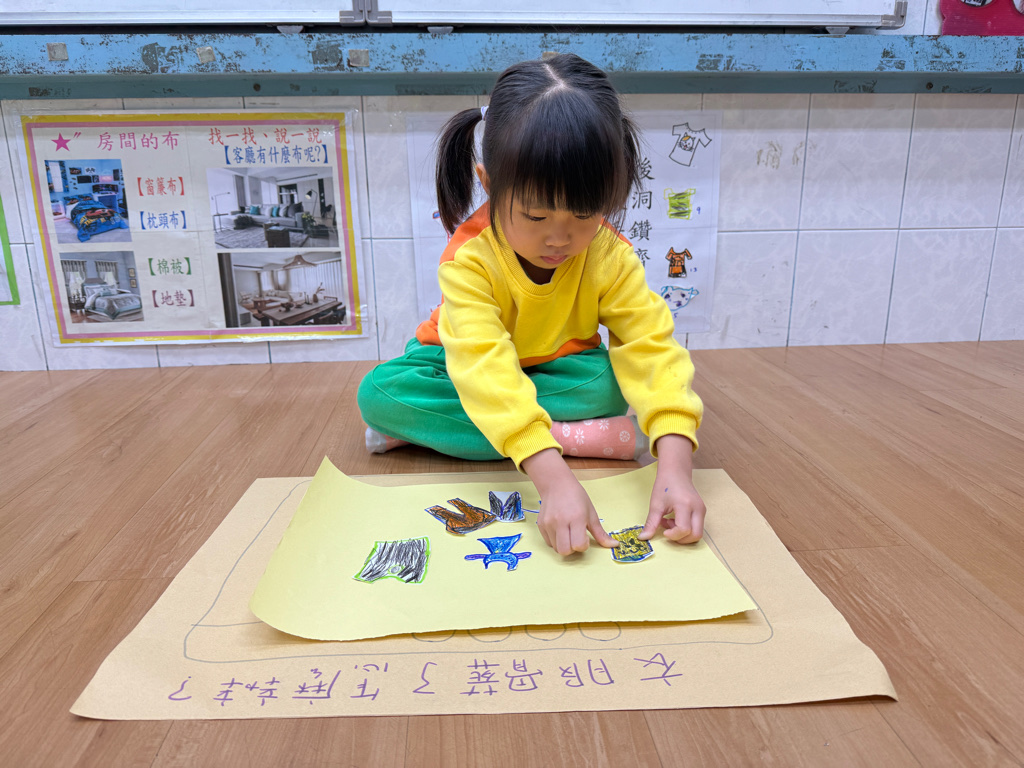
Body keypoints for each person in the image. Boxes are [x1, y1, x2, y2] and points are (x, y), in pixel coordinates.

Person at [357, 53, 705, 556]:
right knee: (380, 394)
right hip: (456, 365)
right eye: (536, 216)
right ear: (490, 184)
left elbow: (650, 348)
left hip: (558, 367)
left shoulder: (610, 255)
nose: (560, 238)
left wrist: (675, 465)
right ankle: (567, 437)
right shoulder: (469, 260)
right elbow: (481, 365)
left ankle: (495, 433)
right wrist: (553, 479)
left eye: (585, 214)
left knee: (610, 384)